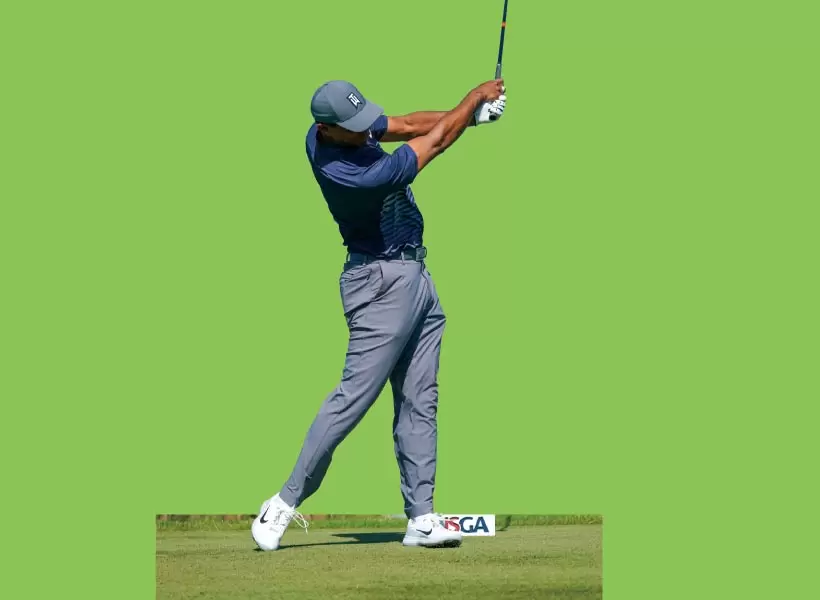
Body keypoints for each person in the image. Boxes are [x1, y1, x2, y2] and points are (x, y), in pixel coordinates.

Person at [252, 78, 507, 551]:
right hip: (380, 284)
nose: (366, 129)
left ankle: (421, 517)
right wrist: (473, 100)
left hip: (416, 277)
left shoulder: (341, 130)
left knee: (420, 399)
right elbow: (433, 141)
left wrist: (471, 118)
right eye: (355, 126)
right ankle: (283, 503)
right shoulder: (350, 174)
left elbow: (407, 124)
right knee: (353, 398)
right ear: (326, 130)